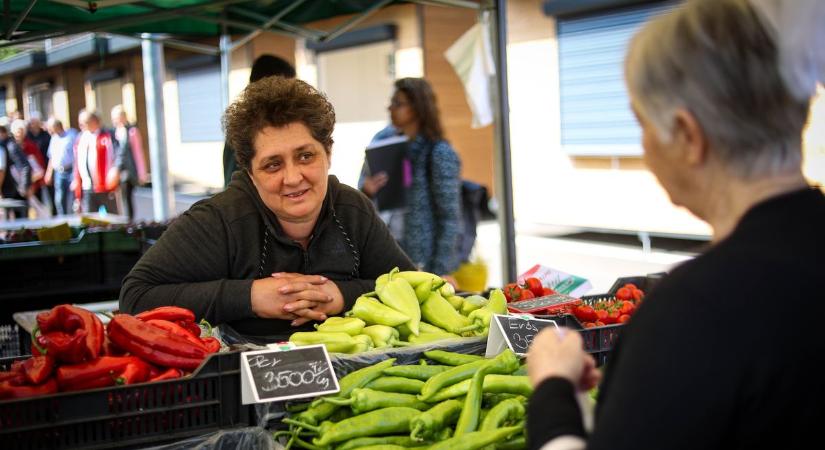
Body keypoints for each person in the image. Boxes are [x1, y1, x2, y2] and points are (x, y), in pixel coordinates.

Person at [526, 1, 825, 449]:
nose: (644, 149)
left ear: (687, 135)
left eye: (642, 123)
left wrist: (553, 390)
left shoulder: (697, 311)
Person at [120, 77, 415, 342]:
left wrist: (342, 296)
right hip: (241, 381)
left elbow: (411, 286)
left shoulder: (352, 210)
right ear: (250, 172)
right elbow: (135, 297)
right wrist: (249, 296)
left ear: (328, 154)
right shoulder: (219, 220)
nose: (292, 178)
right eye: (273, 164)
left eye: (305, 156)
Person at [358, 78, 462, 276]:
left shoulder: (438, 152)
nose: (390, 108)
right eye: (391, 102)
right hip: (383, 250)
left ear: (417, 107)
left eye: (398, 103)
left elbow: (449, 218)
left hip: (422, 257)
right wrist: (366, 190)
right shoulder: (381, 142)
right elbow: (360, 193)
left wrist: (440, 269)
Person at [223, 54, 296, 187]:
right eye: (288, 86)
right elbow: (234, 183)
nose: (292, 94)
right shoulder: (245, 126)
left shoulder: (270, 122)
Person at [72, 111, 120, 214]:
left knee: (112, 217)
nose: (81, 126)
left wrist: (115, 169)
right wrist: (77, 182)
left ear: (94, 121)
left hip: (106, 187)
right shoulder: (81, 138)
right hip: (88, 187)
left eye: (84, 122)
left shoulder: (108, 135)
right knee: (90, 220)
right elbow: (77, 162)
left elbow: (118, 154)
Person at [110, 105, 148, 220]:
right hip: (115, 172)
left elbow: (138, 153)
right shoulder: (114, 133)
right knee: (116, 199)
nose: (115, 120)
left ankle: (129, 220)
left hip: (127, 172)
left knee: (126, 197)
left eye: (117, 117)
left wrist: (142, 173)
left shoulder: (132, 131)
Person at [10, 119, 46, 215]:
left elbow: (39, 166)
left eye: (21, 131)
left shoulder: (31, 146)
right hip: (17, 186)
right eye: (17, 131)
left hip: (33, 184)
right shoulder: (11, 147)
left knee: (37, 211)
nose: (19, 134)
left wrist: (31, 184)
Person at [44, 118, 78, 215]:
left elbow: (77, 154)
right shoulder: (53, 138)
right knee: (59, 199)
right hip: (59, 172)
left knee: (72, 199)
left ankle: (72, 220)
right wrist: (49, 173)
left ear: (57, 126)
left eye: (50, 128)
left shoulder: (72, 135)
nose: (49, 131)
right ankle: (62, 219)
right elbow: (51, 157)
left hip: (71, 170)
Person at [0, 125, 32, 219]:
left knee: (20, 222)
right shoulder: (6, 146)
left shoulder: (11, 146)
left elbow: (25, 166)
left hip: (15, 191)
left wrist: (23, 188)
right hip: (10, 189)